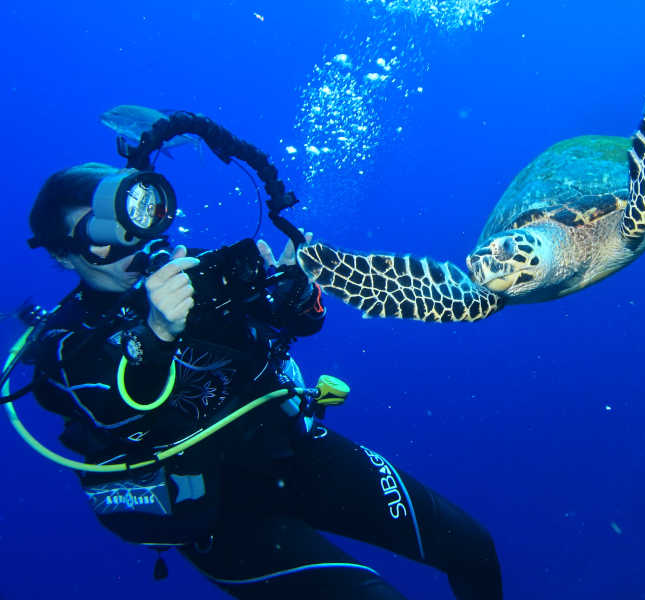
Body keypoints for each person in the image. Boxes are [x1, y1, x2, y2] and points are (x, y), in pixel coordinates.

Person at [20, 162, 502, 600]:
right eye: (99, 232)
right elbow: (117, 408)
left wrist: (298, 285)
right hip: (219, 512)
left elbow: (298, 323)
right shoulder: (66, 341)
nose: (125, 241)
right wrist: (159, 332)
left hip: (296, 448)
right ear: (65, 256)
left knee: (473, 547)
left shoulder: (197, 269)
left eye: (131, 216)